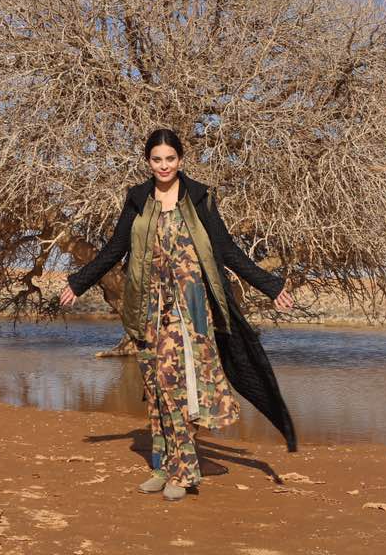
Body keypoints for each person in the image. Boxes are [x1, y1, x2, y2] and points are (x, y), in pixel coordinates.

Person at [59, 128, 296, 502]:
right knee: (156, 389)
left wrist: (271, 285)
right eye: (157, 159)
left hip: (190, 312)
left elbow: (228, 251)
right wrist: (78, 282)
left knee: (175, 388)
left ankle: (183, 473)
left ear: (180, 160)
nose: (164, 165)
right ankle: (162, 466)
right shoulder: (138, 199)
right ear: (148, 162)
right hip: (148, 309)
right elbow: (115, 249)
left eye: (170, 159)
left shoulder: (200, 198)